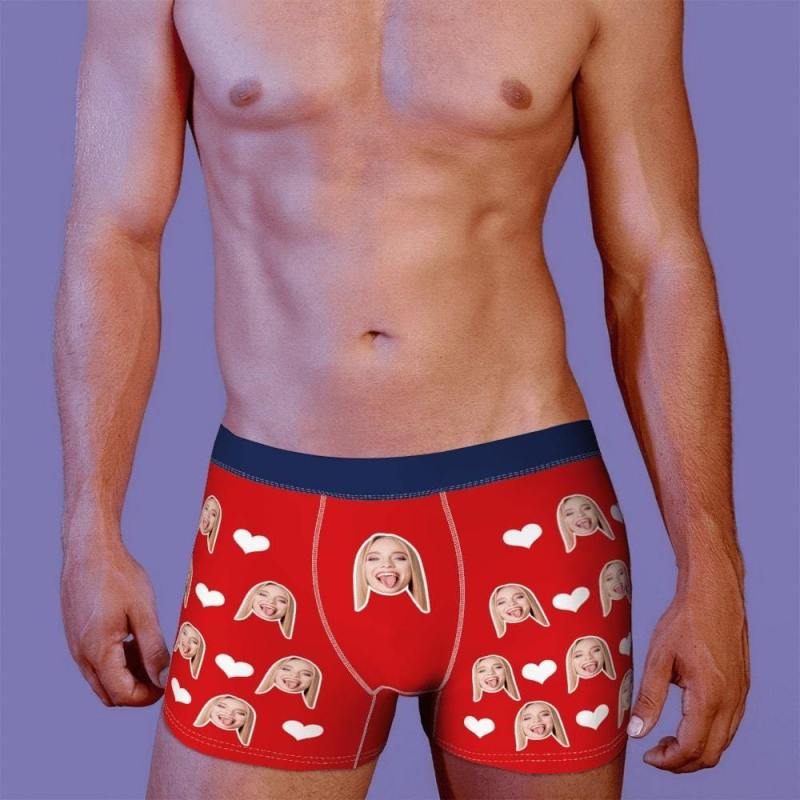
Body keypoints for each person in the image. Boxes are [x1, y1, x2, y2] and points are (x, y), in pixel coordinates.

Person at [54, 1, 750, 798]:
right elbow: (114, 236)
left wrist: (711, 567)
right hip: (276, 522)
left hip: (530, 517)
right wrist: (88, 527)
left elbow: (657, 264)